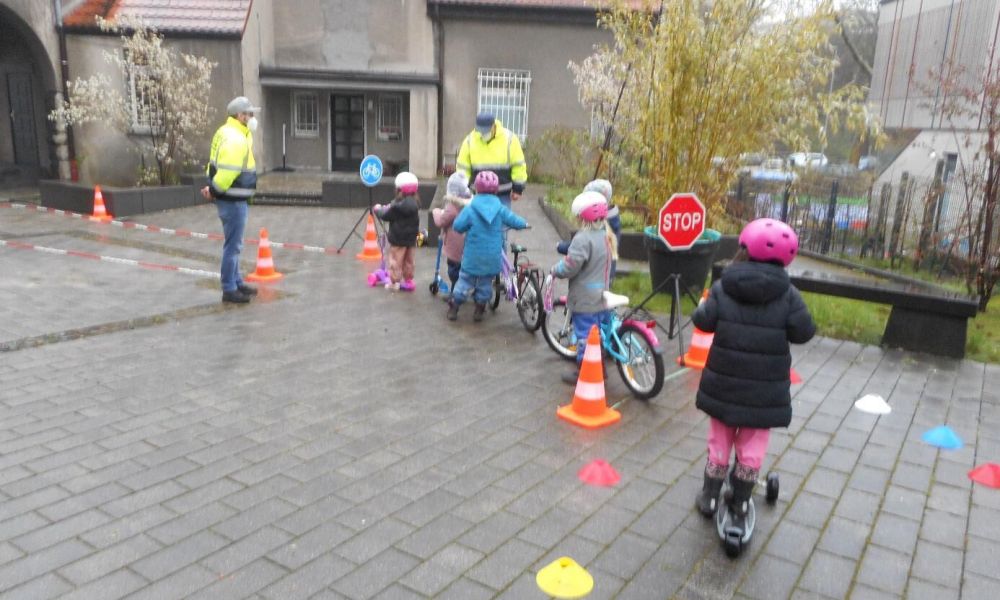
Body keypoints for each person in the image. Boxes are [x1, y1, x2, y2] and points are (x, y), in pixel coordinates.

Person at [692, 218, 816, 536]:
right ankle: (740, 502)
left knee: (719, 441)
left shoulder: (724, 286)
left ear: (743, 250)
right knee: (752, 448)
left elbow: (703, 322)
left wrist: (705, 306)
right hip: (764, 395)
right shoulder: (788, 294)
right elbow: (804, 332)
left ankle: (709, 496)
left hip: (723, 386)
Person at [550, 191, 614, 384]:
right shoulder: (606, 236)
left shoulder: (582, 239)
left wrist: (555, 270)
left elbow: (571, 265)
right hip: (602, 293)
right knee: (597, 333)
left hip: (586, 297)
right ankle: (600, 367)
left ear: (582, 216)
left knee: (585, 335)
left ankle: (584, 371)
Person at [200, 96, 260, 304]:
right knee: (233, 246)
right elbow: (227, 172)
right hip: (232, 199)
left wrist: (212, 189)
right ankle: (229, 288)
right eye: (249, 114)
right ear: (240, 116)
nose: (252, 118)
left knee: (234, 243)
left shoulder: (226, 132)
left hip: (229, 198)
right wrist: (215, 190)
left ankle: (236, 281)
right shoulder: (236, 139)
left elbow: (213, 165)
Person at [448, 170, 528, 322]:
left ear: (476, 189)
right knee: (485, 283)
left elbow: (458, 226)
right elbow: (513, 219)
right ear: (496, 190)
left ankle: (454, 307)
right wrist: (524, 224)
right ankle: (479, 308)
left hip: (472, 256)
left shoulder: (470, 209)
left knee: (464, 281)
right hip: (492, 257)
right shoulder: (500, 208)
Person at [456, 112, 527, 210]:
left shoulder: (509, 139)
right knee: (479, 224)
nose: (483, 134)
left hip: (502, 194)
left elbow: (518, 165)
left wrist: (518, 189)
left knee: (502, 223)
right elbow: (463, 168)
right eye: (480, 131)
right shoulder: (470, 140)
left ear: (494, 126)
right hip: (478, 195)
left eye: (486, 131)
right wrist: (462, 188)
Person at [373, 172, 421, 292]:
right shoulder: (415, 205)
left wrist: (378, 209)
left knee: (396, 260)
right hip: (410, 240)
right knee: (409, 261)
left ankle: (394, 282)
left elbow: (385, 215)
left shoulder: (396, 207)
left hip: (398, 240)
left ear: (399, 190)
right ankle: (409, 280)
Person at [432, 171, 472, 301]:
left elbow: (441, 221)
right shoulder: (470, 204)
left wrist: (436, 212)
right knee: (465, 269)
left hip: (455, 245)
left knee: (454, 270)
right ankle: (465, 288)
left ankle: (456, 293)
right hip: (468, 243)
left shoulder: (452, 207)